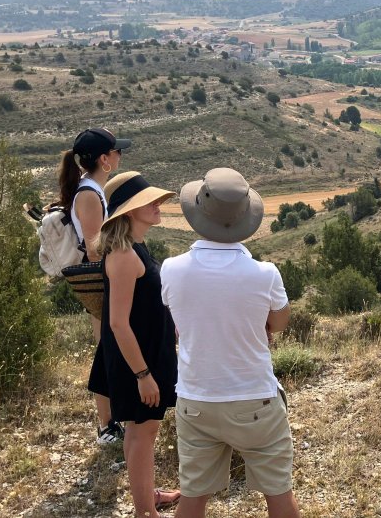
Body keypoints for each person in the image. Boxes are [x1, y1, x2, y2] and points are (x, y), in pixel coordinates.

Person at [161, 168, 300, 518]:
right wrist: (258, 324)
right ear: (244, 218)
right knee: (278, 494)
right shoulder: (264, 273)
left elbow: (180, 320)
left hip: (195, 400)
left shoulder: (171, 269)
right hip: (254, 398)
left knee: (193, 498)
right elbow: (280, 323)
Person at [87, 172, 181, 517]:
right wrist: (143, 374)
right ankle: (146, 511)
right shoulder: (125, 256)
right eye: (149, 201)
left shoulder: (134, 247)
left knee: (140, 431)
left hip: (146, 351)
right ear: (128, 211)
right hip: (138, 359)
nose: (158, 205)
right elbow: (117, 323)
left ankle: (146, 496)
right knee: (143, 432)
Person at [50, 127, 131, 444]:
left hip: (101, 275)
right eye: (117, 151)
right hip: (101, 278)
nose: (120, 155)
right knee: (106, 348)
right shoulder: (89, 194)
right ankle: (107, 425)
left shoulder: (88, 190)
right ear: (104, 159)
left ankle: (112, 420)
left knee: (108, 345)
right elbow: (97, 246)